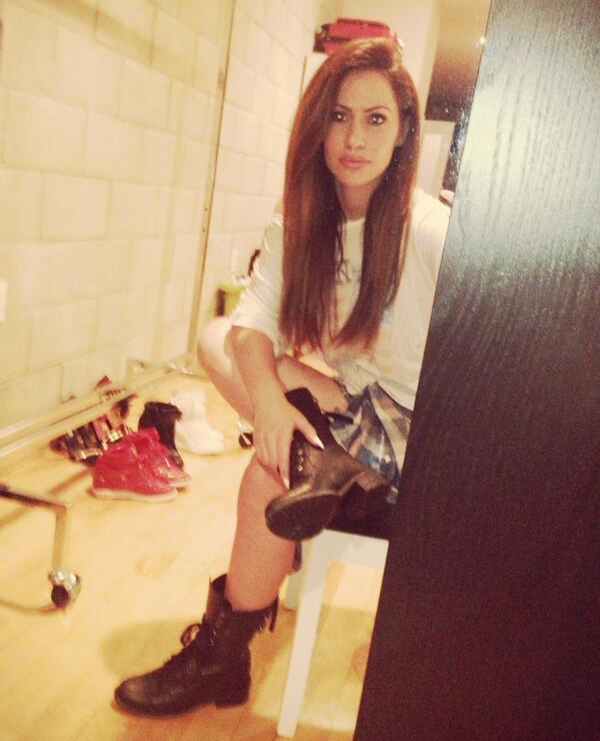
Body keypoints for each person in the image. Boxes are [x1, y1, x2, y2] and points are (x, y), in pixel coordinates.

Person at [114, 37, 450, 716]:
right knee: (219, 339)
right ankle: (315, 470)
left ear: (403, 131)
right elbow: (251, 324)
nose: (354, 138)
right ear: (317, 124)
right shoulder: (301, 217)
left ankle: (222, 659)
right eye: (339, 116)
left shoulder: (429, 231)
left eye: (376, 119)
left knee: (266, 474)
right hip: (362, 404)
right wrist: (269, 403)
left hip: (424, 444)